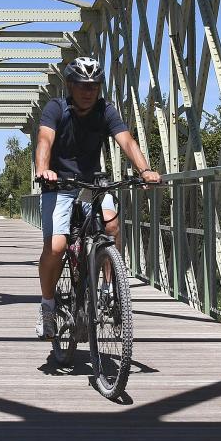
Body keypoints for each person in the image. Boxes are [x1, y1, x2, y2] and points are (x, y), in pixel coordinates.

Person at [32, 56, 160, 339]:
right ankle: (47, 307)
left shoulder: (106, 110)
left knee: (112, 227)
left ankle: (108, 290)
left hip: (92, 183)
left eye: (94, 86)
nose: (88, 91)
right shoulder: (56, 108)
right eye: (82, 85)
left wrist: (145, 170)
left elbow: (126, 140)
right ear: (70, 85)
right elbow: (44, 139)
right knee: (56, 246)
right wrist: (43, 169)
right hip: (59, 184)